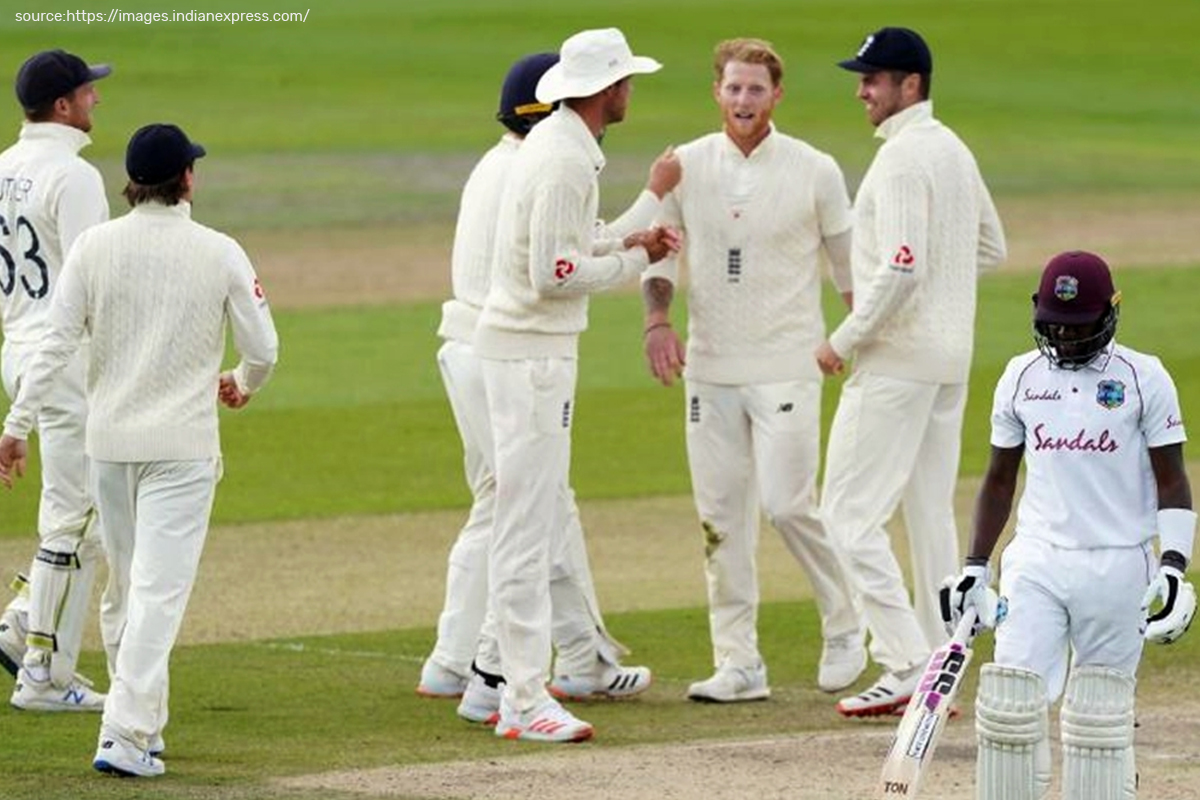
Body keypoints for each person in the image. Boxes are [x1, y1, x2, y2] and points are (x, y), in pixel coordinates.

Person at [0, 123, 279, 777]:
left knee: (129, 593)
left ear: (133, 182)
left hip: (110, 448)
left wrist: (16, 426)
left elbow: (55, 344)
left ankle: (145, 727)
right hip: (180, 450)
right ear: (184, 179)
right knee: (155, 595)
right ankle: (124, 733)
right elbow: (264, 347)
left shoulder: (94, 247)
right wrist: (241, 382)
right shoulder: (219, 250)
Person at [418, 51, 677, 718]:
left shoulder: (507, 162)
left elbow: (581, 239)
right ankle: (493, 674)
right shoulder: (545, 164)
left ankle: (484, 662)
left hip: (480, 348)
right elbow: (559, 265)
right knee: (529, 511)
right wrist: (640, 244)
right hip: (502, 352)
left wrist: (636, 232)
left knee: (516, 507)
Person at [640, 37, 864, 703]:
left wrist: (858, 339)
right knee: (720, 518)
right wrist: (657, 323)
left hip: (788, 362)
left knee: (789, 505)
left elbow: (851, 269)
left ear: (777, 95)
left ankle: (846, 624)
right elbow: (658, 254)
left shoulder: (815, 169)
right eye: (733, 88)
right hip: (711, 367)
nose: (743, 101)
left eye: (756, 89)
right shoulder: (684, 166)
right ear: (717, 91)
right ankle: (738, 664)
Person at [941, 250, 1195, 800]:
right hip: (1037, 560)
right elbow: (999, 480)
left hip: (1119, 563)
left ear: (1110, 314)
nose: (1066, 338)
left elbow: (1173, 481)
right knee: (1012, 702)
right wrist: (974, 568)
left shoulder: (1143, 378)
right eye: (1055, 326)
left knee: (1099, 719)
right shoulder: (1019, 377)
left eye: (1079, 328)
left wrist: (1174, 566)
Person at [815, 26, 1007, 717]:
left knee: (845, 515)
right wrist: (943, 298)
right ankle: (942, 662)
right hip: (947, 360)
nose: (862, 90)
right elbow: (989, 244)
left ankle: (906, 662)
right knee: (929, 514)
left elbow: (901, 264)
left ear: (911, 86)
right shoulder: (950, 148)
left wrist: (843, 338)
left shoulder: (901, 161)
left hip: (896, 360)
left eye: (874, 78)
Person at [0, 48, 118, 711]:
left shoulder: (4, 168)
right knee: (74, 517)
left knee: (81, 514)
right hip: (63, 355)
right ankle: (42, 673)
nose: (96, 99)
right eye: (87, 91)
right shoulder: (72, 176)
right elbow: (87, 285)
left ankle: (23, 626)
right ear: (64, 106)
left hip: (19, 348)